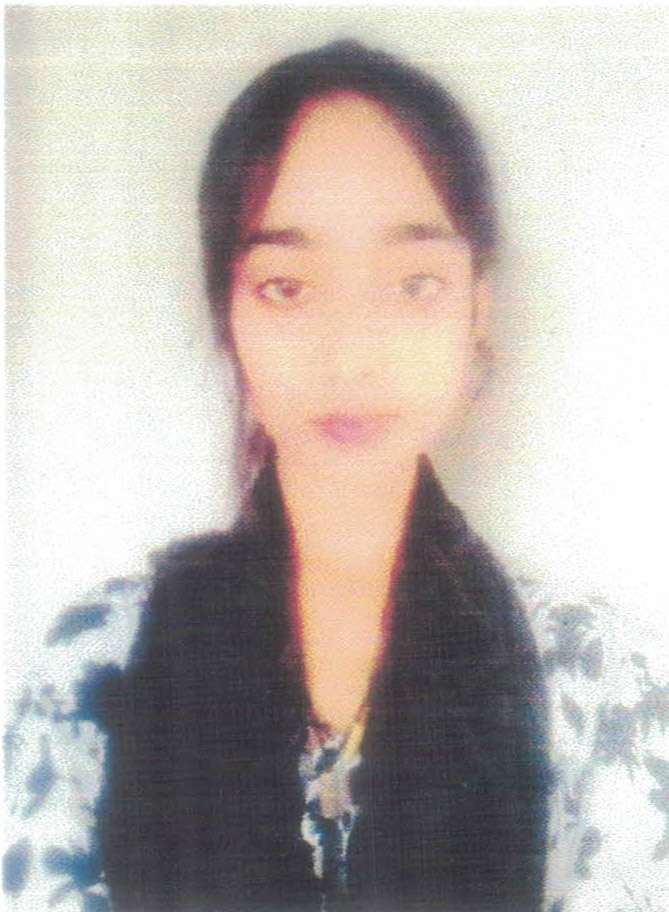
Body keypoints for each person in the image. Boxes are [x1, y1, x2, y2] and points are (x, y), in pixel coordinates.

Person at [4, 39, 667, 912]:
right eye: (287, 287)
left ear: (477, 309)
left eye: (413, 285)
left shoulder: (595, 683)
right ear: (227, 310)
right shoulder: (95, 667)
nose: (351, 355)